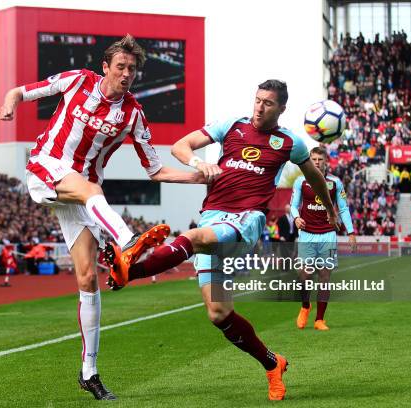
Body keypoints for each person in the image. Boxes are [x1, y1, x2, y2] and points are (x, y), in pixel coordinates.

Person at [0, 34, 203, 400]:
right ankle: (127, 242)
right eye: (120, 67)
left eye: (132, 69)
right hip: (47, 166)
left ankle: (89, 372)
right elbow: (20, 92)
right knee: (94, 192)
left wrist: (197, 176)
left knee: (88, 277)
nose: (126, 74)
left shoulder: (134, 114)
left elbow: (155, 171)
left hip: (83, 191)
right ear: (105, 67)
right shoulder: (77, 79)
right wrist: (9, 104)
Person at [105, 80, 338, 401]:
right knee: (218, 313)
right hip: (213, 216)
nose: (259, 107)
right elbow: (179, 146)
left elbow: (314, 177)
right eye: (257, 100)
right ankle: (273, 363)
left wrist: (330, 209)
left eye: (267, 103)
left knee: (194, 238)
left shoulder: (290, 142)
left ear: (282, 108)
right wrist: (200, 162)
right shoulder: (232, 125)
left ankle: (129, 272)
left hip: (246, 221)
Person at [290, 146, 356, 331]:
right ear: (310, 161)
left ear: (326, 161)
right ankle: (305, 306)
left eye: (320, 159)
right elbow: (293, 205)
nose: (317, 162)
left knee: (324, 276)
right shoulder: (300, 182)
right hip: (307, 234)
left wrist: (350, 233)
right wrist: (296, 217)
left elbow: (343, 208)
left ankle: (320, 319)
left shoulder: (335, 183)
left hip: (328, 234)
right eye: (314, 159)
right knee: (304, 275)